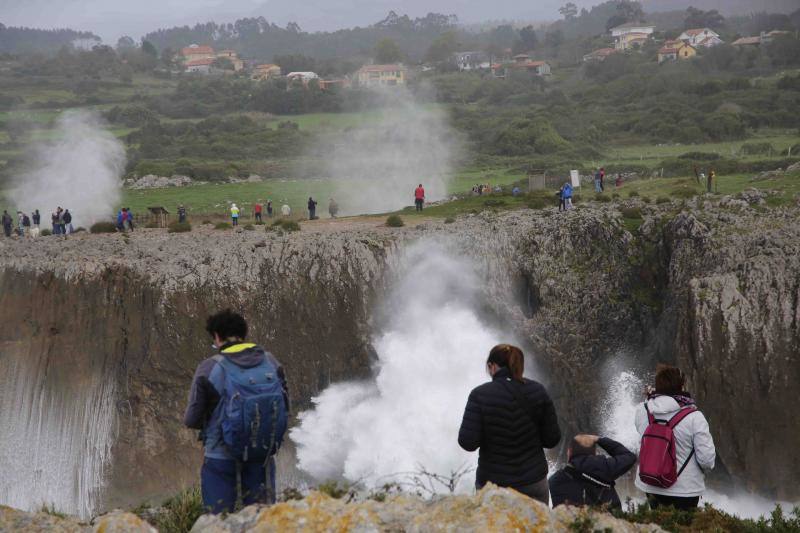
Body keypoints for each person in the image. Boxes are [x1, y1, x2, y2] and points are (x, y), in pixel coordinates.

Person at [184, 310, 289, 514]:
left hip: (221, 456)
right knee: (263, 518)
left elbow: (191, 418)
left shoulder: (210, 367)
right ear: (243, 334)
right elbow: (285, 405)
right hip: (262, 452)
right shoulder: (271, 362)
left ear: (216, 336)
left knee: (219, 519)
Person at [458, 344, 561, 505]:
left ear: (492, 367)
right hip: (533, 482)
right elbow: (552, 440)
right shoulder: (538, 391)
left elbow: (468, 443)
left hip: (493, 485)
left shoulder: (479, 395)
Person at [635, 364, 716, 511]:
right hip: (685, 490)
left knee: (659, 525)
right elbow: (706, 460)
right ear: (682, 387)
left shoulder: (643, 410)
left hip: (650, 483)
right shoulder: (695, 417)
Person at [549, 434, 636, 510]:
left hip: (572, 527)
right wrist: (599, 439)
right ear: (594, 452)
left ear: (569, 452)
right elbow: (629, 456)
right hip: (610, 525)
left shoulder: (554, 481)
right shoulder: (606, 467)